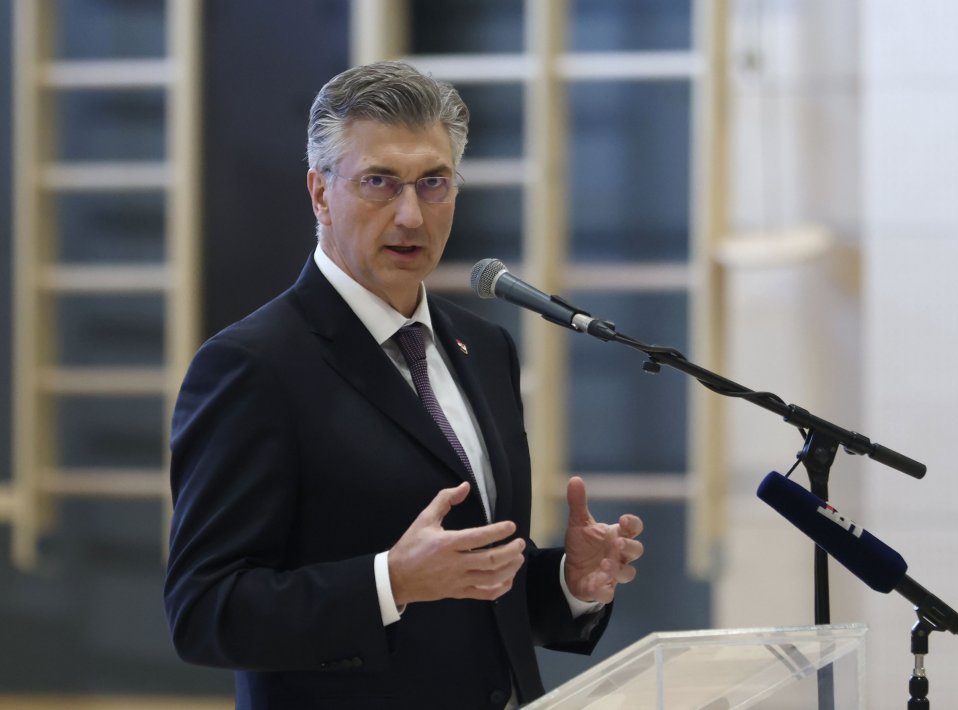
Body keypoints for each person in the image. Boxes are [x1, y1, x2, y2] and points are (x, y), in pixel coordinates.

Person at [164, 60, 644, 710]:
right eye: (379, 183)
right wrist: (389, 583)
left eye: (434, 183)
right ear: (320, 193)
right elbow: (204, 610)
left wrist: (568, 582)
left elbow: (472, 583)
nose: (412, 216)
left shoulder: (485, 348)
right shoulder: (253, 366)